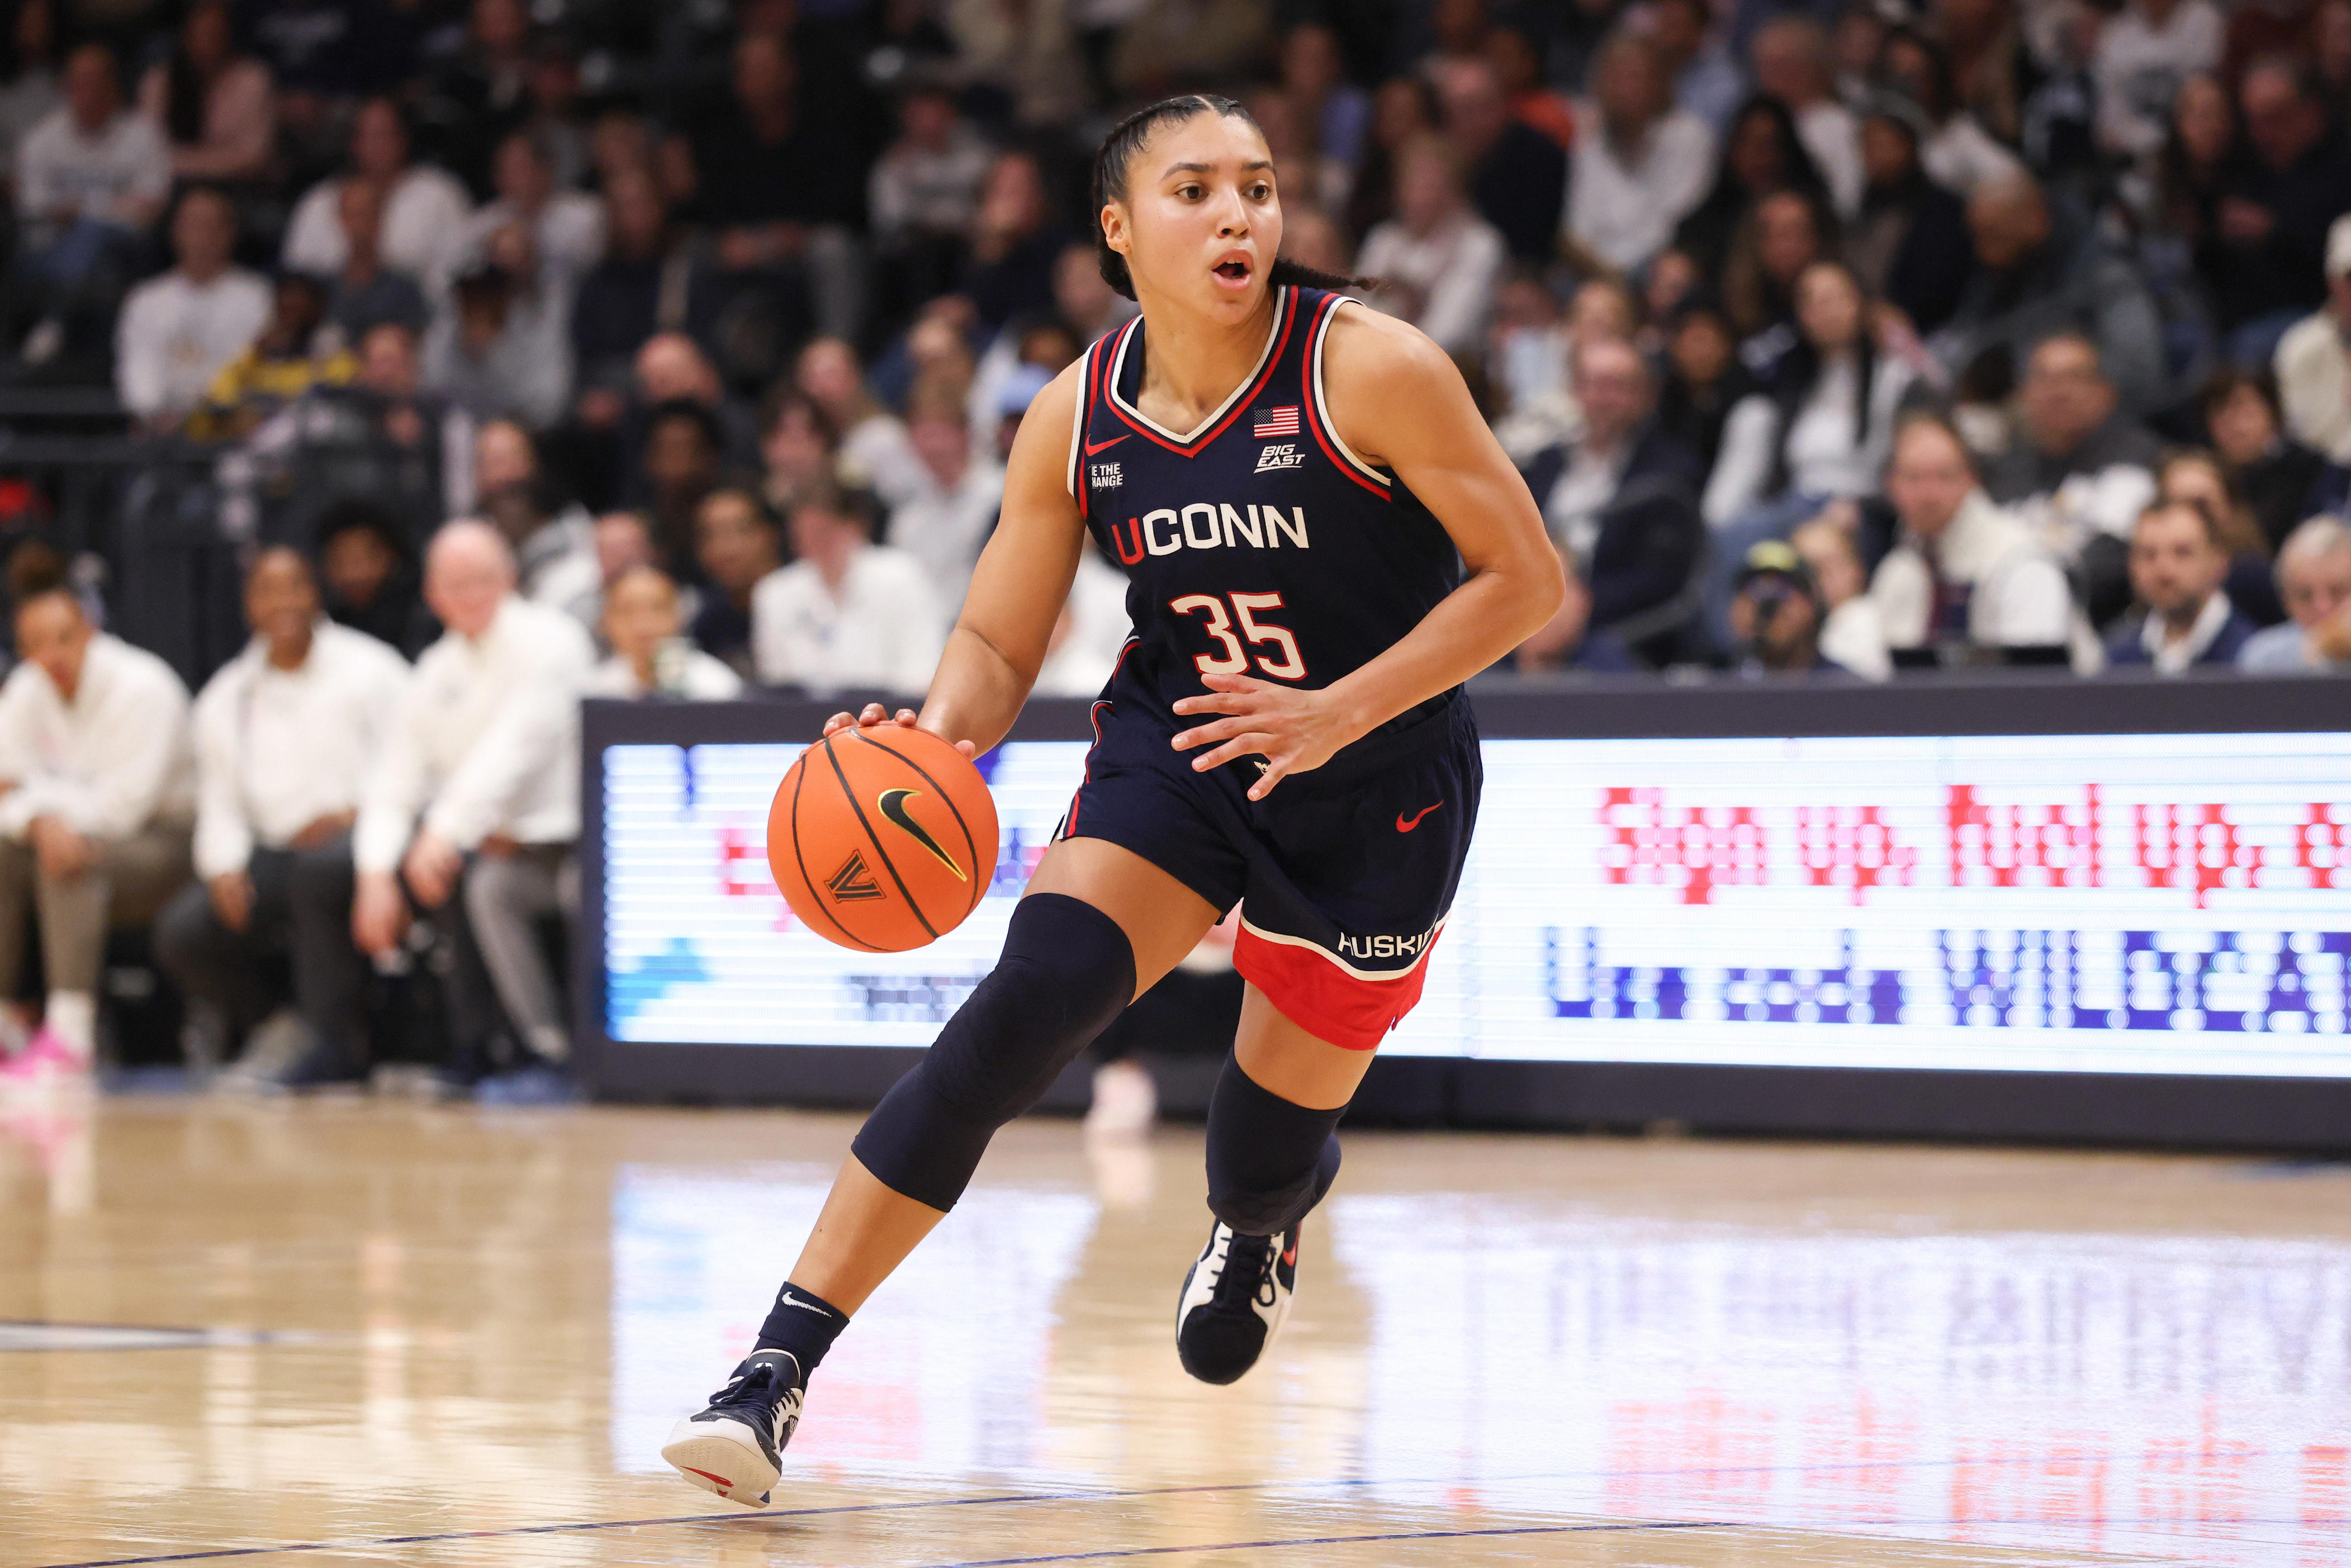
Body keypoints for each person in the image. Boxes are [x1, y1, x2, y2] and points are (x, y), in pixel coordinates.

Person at [660, 92, 1560, 1508]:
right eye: (1195, 189)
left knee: (1258, 1147)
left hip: (1375, 779)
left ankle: (1260, 1226)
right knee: (1027, 1004)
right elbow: (999, 644)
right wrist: (934, 749)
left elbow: (1527, 581)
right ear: (1118, 229)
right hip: (1187, 746)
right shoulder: (1074, 411)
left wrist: (1335, 711)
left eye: (1256, 188)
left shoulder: (1370, 366)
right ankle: (770, 1369)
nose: (1237, 215)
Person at [154, 548, 409, 1089]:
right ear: (249, 606)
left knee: (315, 876)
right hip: (272, 849)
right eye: (266, 590)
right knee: (183, 930)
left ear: (315, 593)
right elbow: (219, 800)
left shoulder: (373, 668)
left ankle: (338, 1047)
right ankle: (276, 1024)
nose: (283, 602)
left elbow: (410, 763)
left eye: (294, 586)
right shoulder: (227, 694)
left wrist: (357, 812)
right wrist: (223, 865)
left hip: (364, 842)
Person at [352, 521, 595, 1088]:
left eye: (482, 579)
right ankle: (542, 1049)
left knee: (515, 882)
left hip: (583, 843)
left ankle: (601, 1057)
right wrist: (374, 874)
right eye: (454, 583)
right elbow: (394, 779)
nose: (469, 595)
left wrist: (443, 831)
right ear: (432, 594)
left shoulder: (554, 640)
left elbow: (515, 748)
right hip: (503, 850)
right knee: (485, 886)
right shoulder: (435, 670)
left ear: (509, 578)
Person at [0, 545, 193, 1083]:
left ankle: (70, 1035)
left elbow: (125, 807)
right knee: (17, 848)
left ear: (89, 631)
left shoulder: (143, 687)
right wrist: (39, 818)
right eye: (35, 644)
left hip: (170, 842)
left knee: (69, 856)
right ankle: (7, 1024)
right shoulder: (25, 691)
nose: (52, 654)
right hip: (83, 830)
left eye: (63, 638)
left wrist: (38, 806)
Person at [1515, 336, 1704, 657]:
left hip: (1617, 629)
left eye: (1617, 386)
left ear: (1643, 395)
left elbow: (1661, 578)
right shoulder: (1541, 465)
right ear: (1575, 390)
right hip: (1528, 614)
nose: (1602, 398)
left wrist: (1579, 606)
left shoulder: (1669, 473)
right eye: (1592, 384)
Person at [1936, 172, 2165, 414]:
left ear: (2037, 220)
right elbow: (1963, 340)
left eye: (1995, 235)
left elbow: (2142, 375)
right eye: (1977, 236)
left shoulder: (2103, 275)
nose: (1983, 252)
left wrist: (2049, 388)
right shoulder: (2000, 273)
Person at [1984, 331, 2164, 618]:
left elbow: (2113, 563)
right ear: (2025, 394)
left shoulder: (2133, 459)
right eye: (2044, 379)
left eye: (2074, 377)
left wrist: (2033, 588)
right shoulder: (2004, 472)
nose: (2058, 392)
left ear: (2105, 392)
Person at [1870, 412, 2077, 661]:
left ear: (1971, 479)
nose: (1929, 494)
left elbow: (2035, 675)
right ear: (1891, 484)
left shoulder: (2022, 561)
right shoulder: (1901, 568)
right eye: (1914, 477)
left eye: (1944, 476)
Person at [13, 42, 170, 362]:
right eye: (77, 82)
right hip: (50, 249)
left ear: (113, 84)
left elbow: (151, 205)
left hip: (125, 251)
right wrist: (108, 209)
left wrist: (82, 213)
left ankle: (55, 322)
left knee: (90, 232)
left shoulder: (143, 137)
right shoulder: (43, 138)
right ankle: (62, 326)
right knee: (79, 242)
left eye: (94, 80)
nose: (85, 91)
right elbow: (32, 204)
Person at [2204, 58, 2351, 364]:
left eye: (2273, 118)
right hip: (2235, 310)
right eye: (2251, 121)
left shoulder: (2341, 164)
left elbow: (2339, 255)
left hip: (2316, 308)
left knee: (2244, 355)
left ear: (2310, 111)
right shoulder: (2243, 162)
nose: (2260, 133)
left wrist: (2277, 230)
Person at [750, 479, 941, 696]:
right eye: (805, 534)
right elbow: (777, 683)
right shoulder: (775, 592)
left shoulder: (902, 576)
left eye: (825, 532)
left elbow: (923, 669)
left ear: (855, 526)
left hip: (889, 717)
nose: (817, 544)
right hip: (807, 720)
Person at [113, 186, 271, 429]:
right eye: (191, 225)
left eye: (210, 226)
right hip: (161, 427)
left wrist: (208, 410)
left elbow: (249, 364)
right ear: (175, 231)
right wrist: (151, 412)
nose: (201, 236)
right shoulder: (146, 299)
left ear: (230, 233)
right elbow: (138, 366)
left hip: (229, 423)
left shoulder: (256, 296)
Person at [1565, 32, 1717, 276]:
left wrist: (1616, 275)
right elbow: (1577, 223)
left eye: (1635, 77)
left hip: (1654, 267)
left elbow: (1673, 223)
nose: (1625, 90)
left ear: (1659, 82)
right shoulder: (1586, 135)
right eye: (1616, 78)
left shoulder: (1690, 137)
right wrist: (1603, 273)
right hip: (1589, 270)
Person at [281, 96, 472, 286]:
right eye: (367, 135)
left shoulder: (440, 193)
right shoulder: (320, 201)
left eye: (384, 134)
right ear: (353, 143)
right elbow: (298, 280)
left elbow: (462, 268)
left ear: (403, 138)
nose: (376, 146)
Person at [1356, 136, 1506, 357]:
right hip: (1375, 360)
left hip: (1450, 370)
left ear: (1455, 189)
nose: (1420, 195)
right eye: (1412, 182)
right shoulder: (1383, 239)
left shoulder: (1480, 244)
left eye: (1431, 184)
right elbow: (1358, 312)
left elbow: (1452, 330)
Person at [892, 381, 1007, 622]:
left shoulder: (1002, 495)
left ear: (965, 434)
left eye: (941, 433)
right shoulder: (906, 516)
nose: (933, 447)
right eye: (923, 434)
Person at [2106, 499, 2258, 670]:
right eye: (2149, 555)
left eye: (2182, 553)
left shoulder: (2253, 656)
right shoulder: (2119, 657)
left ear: (2219, 561)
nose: (2165, 571)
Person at [135, 0, 274, 184]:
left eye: (215, 34)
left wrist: (179, 162)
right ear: (186, 34)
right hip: (168, 185)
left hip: (237, 186)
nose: (207, 42)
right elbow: (146, 150)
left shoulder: (254, 79)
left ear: (229, 35)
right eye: (200, 33)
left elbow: (253, 157)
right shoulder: (159, 80)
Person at [1751, 16, 1862, 217]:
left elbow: (1846, 202)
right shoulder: (1765, 124)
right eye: (1763, 66)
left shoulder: (1837, 127)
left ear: (1809, 67)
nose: (1765, 76)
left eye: (1777, 65)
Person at [2093, 0, 2224, 163]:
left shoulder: (2203, 20)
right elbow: (2108, 126)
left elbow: (2206, 102)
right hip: (2130, 159)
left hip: (2190, 157)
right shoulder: (2113, 35)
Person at [588, 565, 744, 700]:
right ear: (606, 621)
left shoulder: (715, 686)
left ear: (679, 616)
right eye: (628, 611)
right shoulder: (595, 691)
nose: (644, 625)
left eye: (657, 608)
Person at [2273, 213, 2351, 465]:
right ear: (2332, 281)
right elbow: (2300, 440)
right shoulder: (2301, 348)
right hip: (2322, 487)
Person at [319, 177, 429, 348]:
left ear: (380, 218)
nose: (359, 225)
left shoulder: (405, 290)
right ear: (340, 219)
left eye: (366, 214)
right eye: (352, 215)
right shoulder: (322, 289)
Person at [688, 487, 780, 676]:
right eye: (710, 536)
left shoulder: (808, 601)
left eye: (740, 531)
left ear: (771, 534)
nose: (725, 548)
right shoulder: (706, 621)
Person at [2239, 514, 2351, 670]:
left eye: (2338, 592)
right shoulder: (2264, 659)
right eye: (2305, 596)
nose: (2322, 607)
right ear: (2286, 602)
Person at [1726, 539, 1848, 675]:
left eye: (1783, 589)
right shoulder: (1715, 684)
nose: (1768, 608)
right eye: (1755, 590)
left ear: (1811, 606)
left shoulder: (1842, 687)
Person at [1791, 513, 1893, 678]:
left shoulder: (1865, 619)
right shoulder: (1794, 633)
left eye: (1828, 565)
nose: (1816, 579)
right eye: (1807, 568)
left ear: (1857, 570)